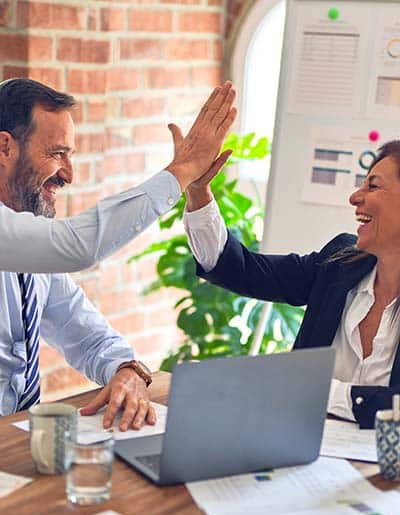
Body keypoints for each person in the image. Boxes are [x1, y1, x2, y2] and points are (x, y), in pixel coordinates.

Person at [0, 78, 236, 429]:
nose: (69, 174)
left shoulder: (30, 246)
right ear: (5, 147)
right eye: (57, 153)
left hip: (16, 436)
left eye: (70, 155)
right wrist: (182, 171)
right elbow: (76, 246)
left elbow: (84, 333)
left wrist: (127, 369)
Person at [183, 140, 400, 429]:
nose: (355, 197)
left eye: (373, 186)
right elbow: (241, 270)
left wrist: (317, 391)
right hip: (302, 453)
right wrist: (198, 191)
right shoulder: (339, 264)